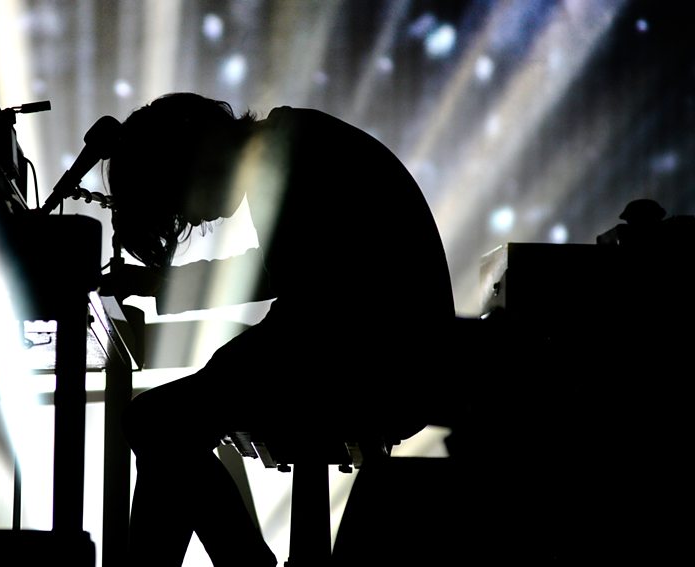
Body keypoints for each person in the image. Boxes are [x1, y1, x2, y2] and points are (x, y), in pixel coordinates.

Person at [100, 93, 455, 566]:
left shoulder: (287, 154)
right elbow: (281, 277)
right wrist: (165, 285)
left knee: (155, 424)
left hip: (376, 365)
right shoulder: (288, 144)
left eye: (179, 200)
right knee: (163, 425)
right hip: (389, 357)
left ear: (192, 159)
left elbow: (305, 313)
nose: (193, 218)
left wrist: (220, 364)